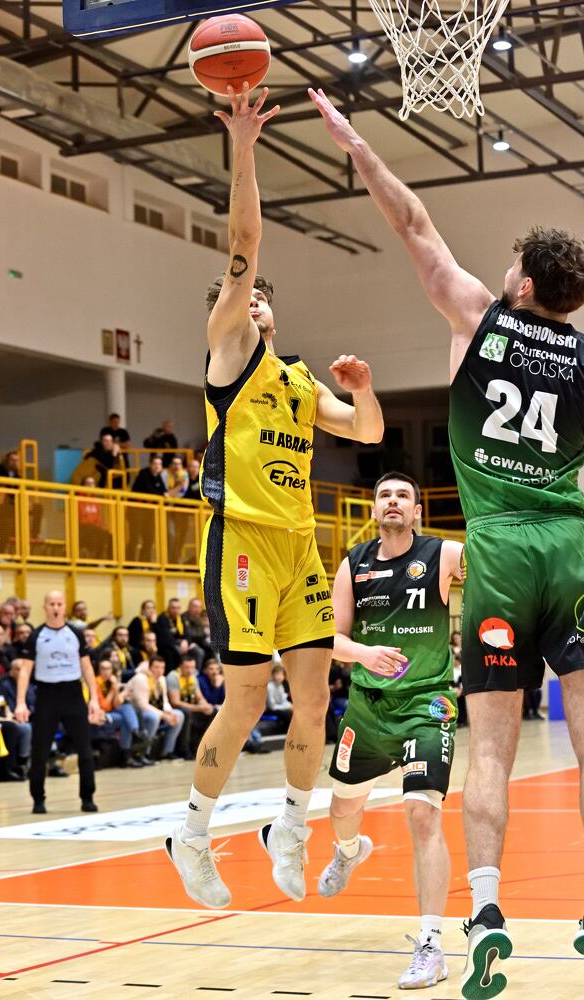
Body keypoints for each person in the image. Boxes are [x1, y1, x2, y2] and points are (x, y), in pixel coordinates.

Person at [310, 87, 584, 996]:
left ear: (523, 285)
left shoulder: (479, 315)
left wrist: (356, 145)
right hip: (573, 543)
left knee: (494, 754)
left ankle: (487, 912)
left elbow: (414, 222)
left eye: (513, 263)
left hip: (498, 548)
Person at [166, 84, 384, 912]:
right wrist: (244, 145)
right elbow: (245, 239)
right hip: (243, 541)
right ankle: (191, 835)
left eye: (261, 296)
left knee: (317, 696)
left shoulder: (296, 380)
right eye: (241, 292)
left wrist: (362, 390)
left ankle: (289, 827)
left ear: (275, 313)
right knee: (249, 696)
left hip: (299, 546)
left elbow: (367, 432)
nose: (252, 297)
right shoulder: (231, 356)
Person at [318, 472, 462, 989]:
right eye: (385, 496)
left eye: (403, 495)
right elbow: (331, 638)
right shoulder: (353, 563)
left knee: (422, 814)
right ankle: (350, 851)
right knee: (342, 811)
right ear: (375, 510)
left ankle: (431, 945)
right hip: (367, 708)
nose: (393, 501)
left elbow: (498, 567)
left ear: (417, 511)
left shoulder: (444, 554)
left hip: (427, 703)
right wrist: (364, 653)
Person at [15, 591, 103, 814]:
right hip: (47, 695)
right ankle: (38, 799)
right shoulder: (36, 635)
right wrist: (20, 702)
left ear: (65, 607)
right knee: (40, 751)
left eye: (59, 604)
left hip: (73, 694)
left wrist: (94, 699)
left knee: (84, 749)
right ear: (45, 607)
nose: (55, 608)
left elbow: (87, 667)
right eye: (52, 604)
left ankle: (87, 797)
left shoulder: (75, 634)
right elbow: (25, 671)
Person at [124, 656, 185, 760]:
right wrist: (164, 716)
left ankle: (167, 751)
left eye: (162, 668)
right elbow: (142, 705)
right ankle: (145, 753)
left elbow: (165, 701)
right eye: (156, 667)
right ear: (150, 667)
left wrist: (169, 713)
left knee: (179, 715)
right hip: (136, 712)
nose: (159, 670)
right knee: (154, 717)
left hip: (154, 709)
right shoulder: (141, 678)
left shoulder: (162, 679)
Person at [94, 658, 145, 768]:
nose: (106, 672)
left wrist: (116, 688)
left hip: (113, 713)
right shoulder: (96, 683)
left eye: (108, 669)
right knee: (124, 719)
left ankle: (135, 732)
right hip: (100, 716)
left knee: (126, 707)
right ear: (98, 670)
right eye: (103, 669)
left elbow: (117, 704)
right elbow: (104, 706)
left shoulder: (111, 682)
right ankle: (128, 752)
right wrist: (114, 690)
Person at [166, 653, 214, 759]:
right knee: (187, 713)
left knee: (212, 711)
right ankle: (184, 749)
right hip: (177, 708)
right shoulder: (173, 677)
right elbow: (175, 702)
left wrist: (205, 705)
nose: (190, 670)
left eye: (192, 667)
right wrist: (198, 708)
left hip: (191, 706)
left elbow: (199, 697)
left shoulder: (193, 677)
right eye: (187, 667)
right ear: (180, 666)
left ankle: (201, 746)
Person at [265, 664, 293, 731]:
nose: (280, 677)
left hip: (278, 707)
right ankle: (287, 731)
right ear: (273, 675)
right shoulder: (270, 687)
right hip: (270, 709)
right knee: (287, 714)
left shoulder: (280, 686)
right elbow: (272, 706)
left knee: (294, 711)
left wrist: (291, 706)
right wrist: (288, 707)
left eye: (281, 675)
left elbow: (283, 701)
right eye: (277, 674)